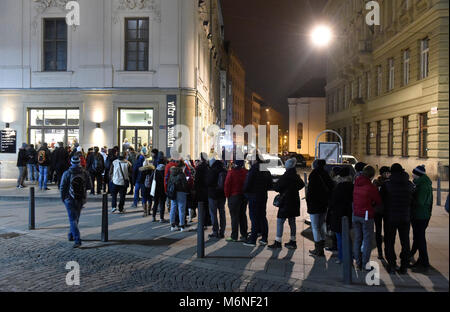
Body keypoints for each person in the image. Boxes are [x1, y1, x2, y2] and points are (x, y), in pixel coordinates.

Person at [380, 163, 414, 274]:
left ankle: (392, 264)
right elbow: (413, 200)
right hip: (405, 217)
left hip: (390, 217)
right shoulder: (409, 184)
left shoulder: (386, 185)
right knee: (405, 241)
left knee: (390, 241)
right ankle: (404, 265)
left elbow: (381, 200)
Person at [268, 158, 305, 249]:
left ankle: (278, 241)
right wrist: (293, 189)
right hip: (294, 201)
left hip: (285, 201)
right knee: (292, 221)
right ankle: (293, 241)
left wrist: (283, 190)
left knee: (280, 221)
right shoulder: (296, 176)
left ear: (287, 166)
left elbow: (277, 187)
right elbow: (302, 184)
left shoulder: (285, 176)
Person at [352, 165, 382, 271]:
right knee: (367, 240)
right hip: (366, 216)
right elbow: (378, 200)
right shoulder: (371, 187)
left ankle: (358, 262)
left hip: (356, 214)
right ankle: (365, 264)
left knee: (357, 239)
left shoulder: (356, 183)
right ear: (372, 175)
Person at [60, 155, 92, 248]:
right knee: (76, 218)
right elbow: (89, 186)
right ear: (79, 163)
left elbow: (62, 187)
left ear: (71, 162)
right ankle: (71, 235)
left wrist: (63, 198)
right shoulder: (85, 172)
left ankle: (77, 240)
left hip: (69, 198)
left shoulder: (67, 173)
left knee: (72, 219)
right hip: (81, 198)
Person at [243, 153, 273, 247]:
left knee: (254, 218)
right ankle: (264, 239)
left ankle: (252, 240)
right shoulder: (265, 169)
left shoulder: (254, 169)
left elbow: (248, 183)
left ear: (255, 160)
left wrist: (245, 192)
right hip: (263, 196)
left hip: (254, 196)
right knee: (262, 217)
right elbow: (270, 184)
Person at [306, 159, 334, 256]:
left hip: (314, 204)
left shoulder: (313, 175)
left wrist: (308, 203)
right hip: (324, 204)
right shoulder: (326, 174)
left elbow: (310, 192)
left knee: (315, 227)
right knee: (322, 225)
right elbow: (331, 187)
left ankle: (318, 249)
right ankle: (321, 246)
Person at [327, 166, 354, 263]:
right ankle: (349, 256)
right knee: (348, 237)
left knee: (339, 237)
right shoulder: (352, 186)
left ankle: (342, 257)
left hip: (338, 215)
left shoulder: (339, 187)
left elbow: (332, 202)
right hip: (349, 214)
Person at [409, 165, 433, 272]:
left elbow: (420, 202)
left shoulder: (422, 186)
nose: (412, 174)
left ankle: (424, 261)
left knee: (420, 239)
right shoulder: (421, 183)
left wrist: (410, 197)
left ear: (417, 174)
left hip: (420, 215)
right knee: (418, 238)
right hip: (423, 215)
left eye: (414, 173)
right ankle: (419, 258)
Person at [224, 159, 248, 242]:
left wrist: (227, 196)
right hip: (243, 196)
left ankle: (234, 236)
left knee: (234, 217)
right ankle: (244, 234)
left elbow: (227, 185)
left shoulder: (231, 172)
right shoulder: (245, 172)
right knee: (242, 215)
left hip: (234, 196)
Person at [206, 158, 228, 239]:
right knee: (222, 213)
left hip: (213, 195)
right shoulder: (224, 170)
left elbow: (208, 182)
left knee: (213, 214)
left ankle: (215, 231)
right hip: (222, 195)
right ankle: (222, 232)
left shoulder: (212, 171)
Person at [373, 166, 391, 259]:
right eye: (386, 173)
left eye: (389, 173)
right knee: (378, 232)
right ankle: (380, 251)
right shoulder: (377, 182)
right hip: (378, 210)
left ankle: (387, 250)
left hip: (387, 210)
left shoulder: (391, 182)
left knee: (387, 232)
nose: (388, 174)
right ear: (382, 173)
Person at [167, 160, 189, 231]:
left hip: (173, 192)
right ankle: (182, 226)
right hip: (181, 193)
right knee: (181, 209)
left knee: (173, 208)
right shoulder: (181, 174)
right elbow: (185, 184)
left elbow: (169, 183)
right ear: (182, 167)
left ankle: (172, 226)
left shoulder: (172, 173)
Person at [194, 153, 211, 228]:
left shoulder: (199, 168)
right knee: (207, 207)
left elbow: (197, 180)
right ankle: (208, 221)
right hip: (207, 190)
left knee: (202, 207)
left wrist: (195, 189)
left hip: (201, 190)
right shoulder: (209, 166)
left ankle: (202, 223)